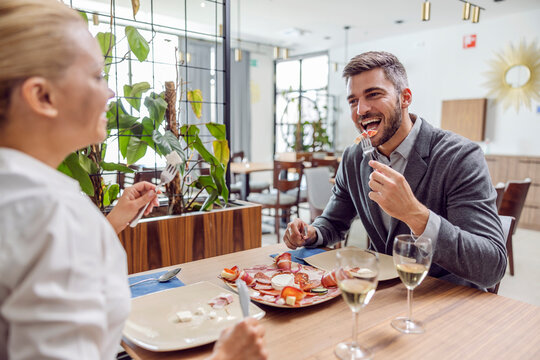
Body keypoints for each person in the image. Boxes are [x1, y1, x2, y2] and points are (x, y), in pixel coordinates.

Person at [0, 1, 267, 359]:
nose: (110, 93)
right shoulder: (52, 211)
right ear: (42, 96)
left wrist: (113, 221)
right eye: (96, 76)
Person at [284, 51, 507, 290]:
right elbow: (332, 223)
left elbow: (491, 265)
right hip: (383, 292)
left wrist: (414, 214)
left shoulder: (460, 157)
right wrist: (311, 233)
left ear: (405, 98)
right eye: (353, 101)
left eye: (373, 94)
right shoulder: (353, 157)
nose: (361, 109)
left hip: (445, 297)